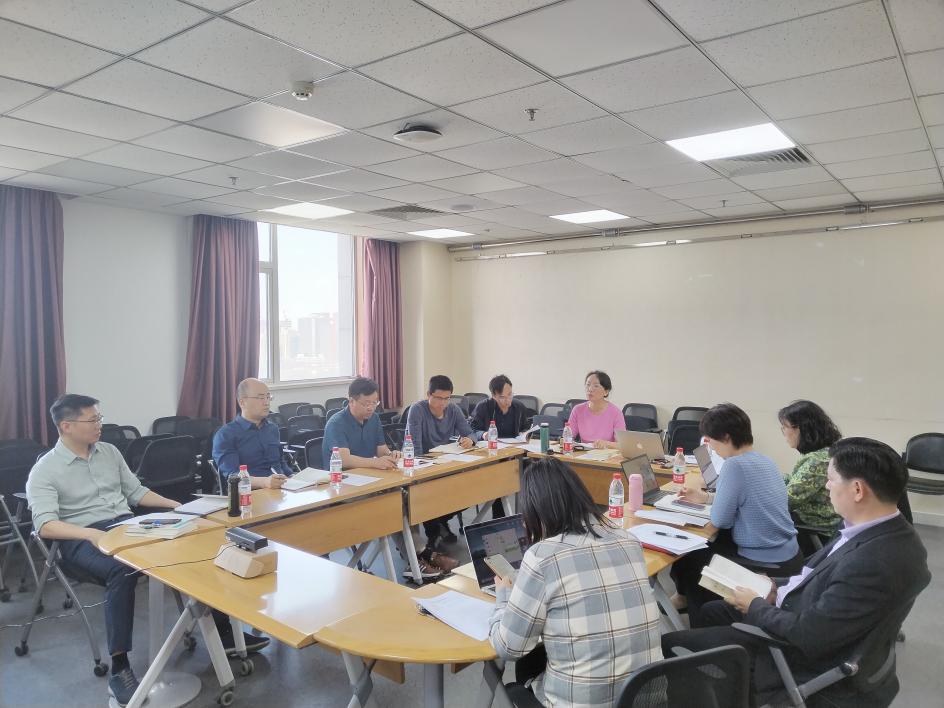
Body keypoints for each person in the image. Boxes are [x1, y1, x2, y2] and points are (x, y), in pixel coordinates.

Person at [25, 394, 266, 707]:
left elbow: (136, 492)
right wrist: (90, 534)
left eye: (99, 418)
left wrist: (177, 507)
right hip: (79, 538)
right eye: (92, 420)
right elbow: (45, 525)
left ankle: (225, 632)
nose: (99, 425)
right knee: (122, 571)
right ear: (66, 426)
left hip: (125, 525)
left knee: (198, 545)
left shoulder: (109, 452)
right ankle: (120, 667)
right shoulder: (45, 469)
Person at [661, 437, 931, 708]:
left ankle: (723, 677)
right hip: (807, 613)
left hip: (799, 655)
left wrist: (755, 605)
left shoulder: (874, 563)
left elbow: (807, 635)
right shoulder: (884, 531)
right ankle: (723, 687)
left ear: (857, 490)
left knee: (671, 643)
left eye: (831, 479)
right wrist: (775, 585)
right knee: (712, 611)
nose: (826, 486)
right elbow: (819, 577)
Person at [488, 457, 663, 707]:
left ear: (535, 511)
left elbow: (508, 647)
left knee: (524, 666)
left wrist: (504, 597)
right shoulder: (629, 540)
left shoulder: (541, 557)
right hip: (647, 700)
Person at [670, 403, 802, 624]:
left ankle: (701, 625)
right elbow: (744, 498)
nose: (711, 448)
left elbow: (720, 519)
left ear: (726, 437)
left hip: (765, 559)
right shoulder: (765, 460)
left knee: (692, 558)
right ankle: (688, 603)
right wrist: (706, 498)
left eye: (711, 441)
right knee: (709, 545)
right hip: (790, 554)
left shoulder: (734, 465)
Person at [470, 374, 532, 518]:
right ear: (494, 396)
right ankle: (499, 517)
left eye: (510, 395)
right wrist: (483, 435)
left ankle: (529, 514)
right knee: (498, 475)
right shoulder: (484, 407)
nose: (508, 400)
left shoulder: (518, 406)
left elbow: (525, 427)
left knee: (533, 470)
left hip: (514, 453)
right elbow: (471, 430)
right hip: (491, 455)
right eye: (502, 397)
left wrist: (525, 434)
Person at [213, 378, 292, 490]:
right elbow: (233, 476)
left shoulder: (272, 429)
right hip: (250, 494)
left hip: (282, 489)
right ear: (242, 402)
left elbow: (280, 463)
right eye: (260, 398)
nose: (266, 402)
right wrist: (264, 482)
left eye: (268, 397)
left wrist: (293, 477)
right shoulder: (225, 435)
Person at [778, 399, 843, 534]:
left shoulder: (818, 461)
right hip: (814, 521)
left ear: (801, 429)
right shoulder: (825, 452)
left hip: (815, 527)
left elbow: (786, 501)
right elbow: (797, 483)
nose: (783, 432)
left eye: (784, 427)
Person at [321, 376, 400, 470]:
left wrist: (391, 455)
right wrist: (375, 462)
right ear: (351, 401)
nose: (371, 408)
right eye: (366, 404)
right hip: (341, 476)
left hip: (367, 473)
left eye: (375, 403)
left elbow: (381, 451)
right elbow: (344, 460)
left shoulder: (374, 418)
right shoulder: (336, 423)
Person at [565, 370, 626, 449]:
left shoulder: (616, 413)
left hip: (606, 454)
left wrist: (606, 444)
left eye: (596, 386)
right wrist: (564, 441)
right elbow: (568, 437)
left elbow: (622, 444)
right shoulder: (577, 410)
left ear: (606, 392)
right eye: (588, 385)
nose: (590, 389)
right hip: (583, 453)